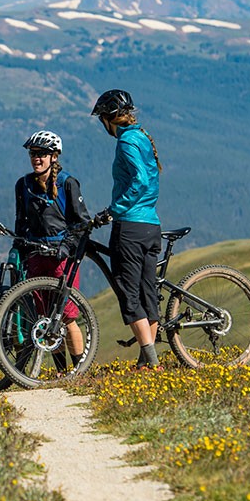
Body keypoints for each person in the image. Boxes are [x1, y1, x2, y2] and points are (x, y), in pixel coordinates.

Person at [90, 89, 163, 370]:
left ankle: (153, 364)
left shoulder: (126, 142)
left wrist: (114, 210)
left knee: (129, 297)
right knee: (147, 296)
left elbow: (140, 180)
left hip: (130, 227)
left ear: (109, 119)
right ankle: (145, 365)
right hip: (150, 225)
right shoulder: (141, 136)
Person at [13, 130, 92, 373]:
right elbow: (21, 222)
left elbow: (82, 223)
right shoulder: (23, 184)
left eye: (42, 154)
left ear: (54, 157)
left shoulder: (67, 183)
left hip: (62, 258)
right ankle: (60, 371)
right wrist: (20, 248)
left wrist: (67, 246)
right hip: (37, 256)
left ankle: (78, 371)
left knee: (67, 317)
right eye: (33, 154)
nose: (36, 158)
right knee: (46, 318)